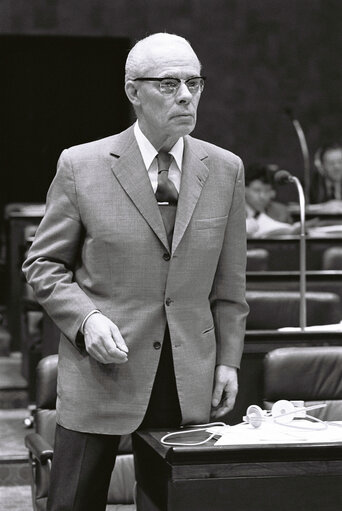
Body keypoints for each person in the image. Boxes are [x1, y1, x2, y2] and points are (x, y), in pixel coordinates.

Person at [22, 32, 249, 510]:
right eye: (168, 84)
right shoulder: (82, 165)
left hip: (188, 379)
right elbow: (43, 264)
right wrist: (85, 320)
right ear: (132, 91)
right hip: (102, 370)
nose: (186, 95)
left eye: (194, 83)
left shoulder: (225, 170)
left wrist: (228, 360)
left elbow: (230, 286)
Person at [245, 163, 296, 238]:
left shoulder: (281, 212)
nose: (262, 196)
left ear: (273, 193)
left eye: (267, 191)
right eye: (256, 190)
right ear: (244, 190)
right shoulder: (233, 212)